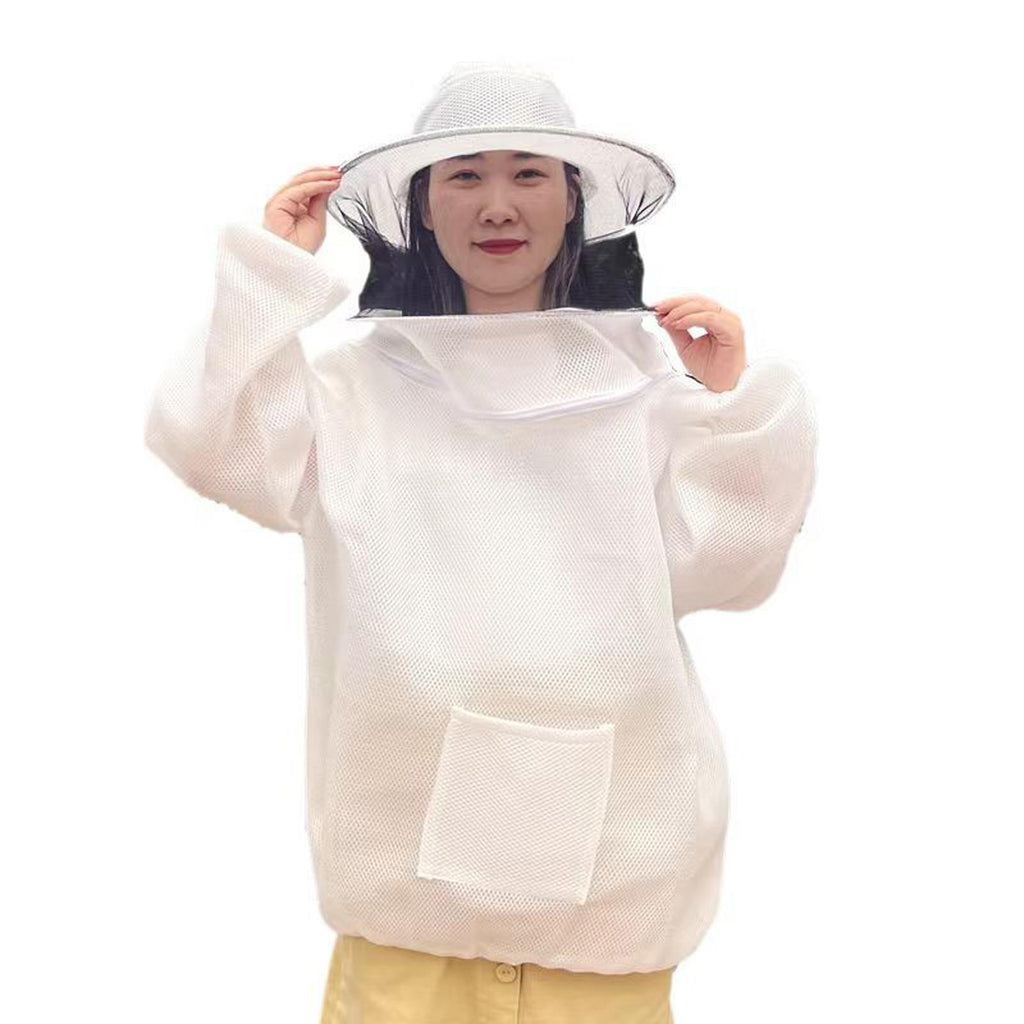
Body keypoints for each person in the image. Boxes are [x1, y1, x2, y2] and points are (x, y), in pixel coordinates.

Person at [143, 61, 818, 1024]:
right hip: (403, 907)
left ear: (573, 199)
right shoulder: (355, 389)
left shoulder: (642, 383)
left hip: (612, 893)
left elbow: (730, 567)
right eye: (465, 175)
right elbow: (215, 447)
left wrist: (726, 406)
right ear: (423, 208)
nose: (498, 203)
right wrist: (271, 276)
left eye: (528, 173)